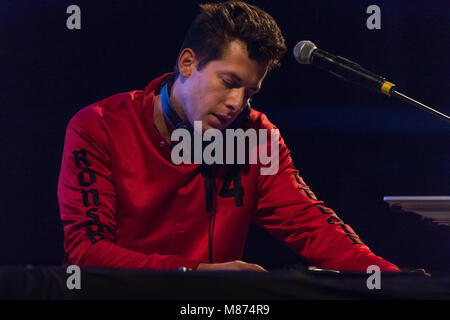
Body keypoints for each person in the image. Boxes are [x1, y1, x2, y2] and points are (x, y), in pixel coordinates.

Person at [57, 0, 400, 273]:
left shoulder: (257, 136)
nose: (237, 103)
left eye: (250, 92)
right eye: (229, 82)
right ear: (188, 63)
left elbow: (313, 225)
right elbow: (88, 254)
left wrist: (393, 279)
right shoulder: (97, 126)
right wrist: (197, 273)